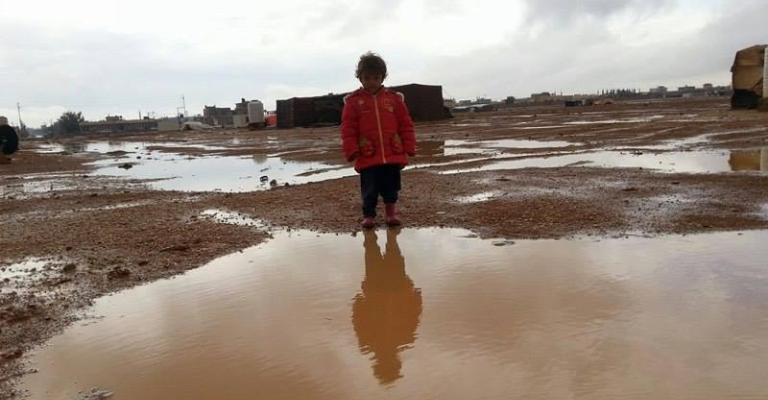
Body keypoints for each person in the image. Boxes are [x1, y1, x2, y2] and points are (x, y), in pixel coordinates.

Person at [341, 52, 416, 229]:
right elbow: (348, 128)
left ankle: (391, 213)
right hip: (367, 153)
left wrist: (409, 146)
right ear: (360, 78)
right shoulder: (353, 102)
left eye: (376, 77)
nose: (371, 82)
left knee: (391, 186)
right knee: (369, 189)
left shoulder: (394, 99)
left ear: (382, 77)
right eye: (367, 78)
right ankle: (369, 216)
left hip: (393, 152)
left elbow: (406, 124)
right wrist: (351, 149)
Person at [352, 228, 422, 385]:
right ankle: (390, 240)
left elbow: (358, 319)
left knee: (375, 255)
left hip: (378, 288)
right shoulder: (404, 338)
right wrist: (416, 296)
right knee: (388, 256)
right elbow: (414, 313)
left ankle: (386, 240)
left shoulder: (369, 342)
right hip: (394, 288)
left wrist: (358, 302)